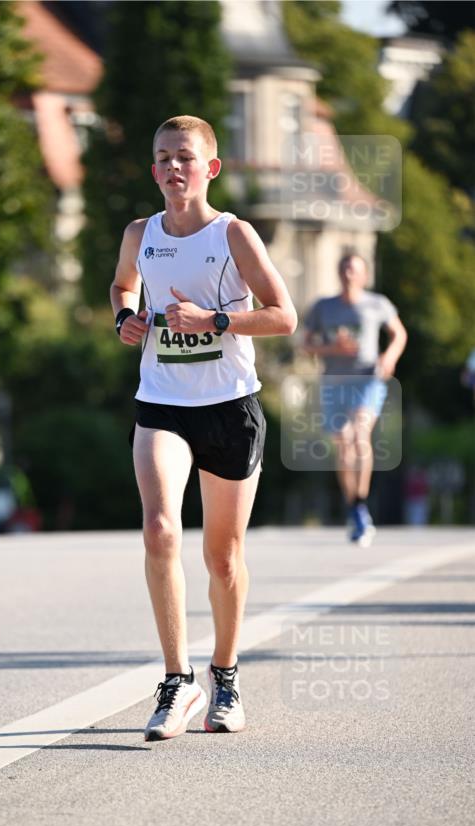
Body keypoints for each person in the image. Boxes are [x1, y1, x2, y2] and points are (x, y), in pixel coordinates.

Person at [110, 115, 296, 742]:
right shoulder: (141, 232)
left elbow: (283, 317)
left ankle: (226, 674)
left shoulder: (234, 234)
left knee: (223, 557)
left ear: (210, 168)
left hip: (230, 407)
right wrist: (125, 319)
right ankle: (175, 680)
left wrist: (214, 321)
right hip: (161, 402)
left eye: (184, 158)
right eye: (162, 158)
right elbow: (121, 287)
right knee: (161, 529)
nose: (172, 169)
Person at [303, 254, 407, 546]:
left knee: (360, 435)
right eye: (346, 267)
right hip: (334, 381)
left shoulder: (378, 304)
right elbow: (305, 344)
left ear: (364, 275)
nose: (350, 273)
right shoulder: (324, 307)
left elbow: (399, 334)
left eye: (355, 269)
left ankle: (360, 502)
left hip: (368, 380)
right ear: (339, 273)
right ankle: (354, 506)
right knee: (343, 442)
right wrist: (331, 346)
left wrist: (389, 356)